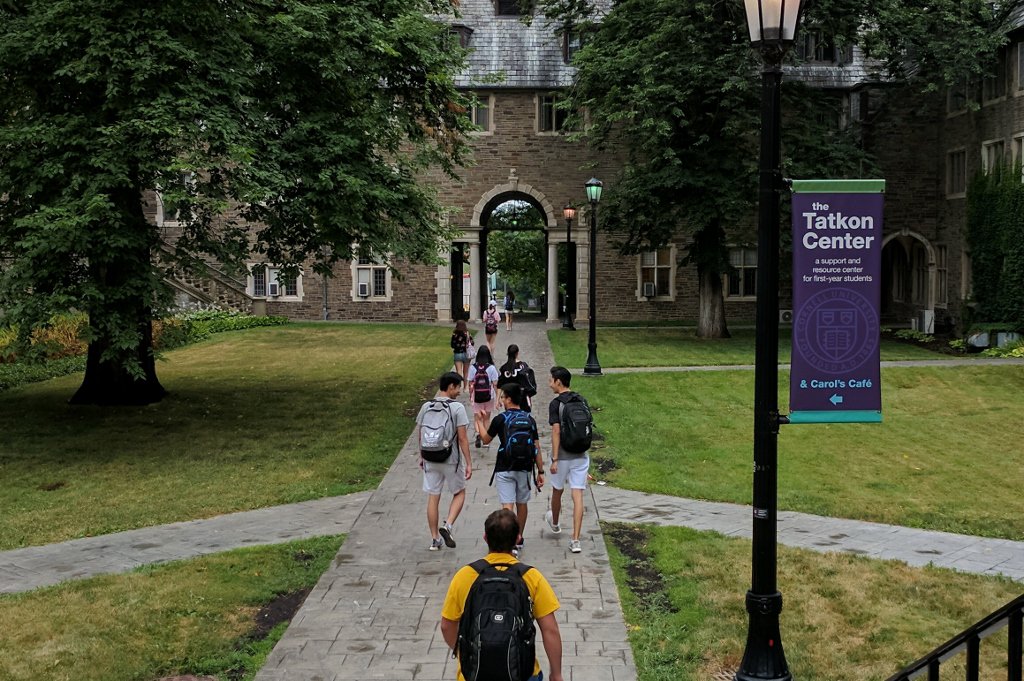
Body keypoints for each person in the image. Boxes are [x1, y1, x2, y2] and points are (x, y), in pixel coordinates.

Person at [440, 508, 564, 681]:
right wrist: (556, 674)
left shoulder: (465, 576)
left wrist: (468, 651)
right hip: (522, 672)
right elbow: (550, 630)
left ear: (485, 538)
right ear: (518, 539)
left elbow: (447, 625)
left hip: (474, 674)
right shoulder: (531, 576)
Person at [480, 383, 545, 556]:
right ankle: (519, 537)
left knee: (507, 505)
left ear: (509, 399)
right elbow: (537, 447)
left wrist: (479, 422)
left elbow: (485, 440)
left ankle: (508, 541)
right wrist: (541, 471)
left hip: (505, 467)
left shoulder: (500, 419)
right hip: (524, 468)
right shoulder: (529, 419)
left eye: (503, 397)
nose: (501, 400)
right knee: (522, 504)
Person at [415, 371, 472, 551]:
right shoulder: (457, 408)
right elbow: (462, 438)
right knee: (460, 492)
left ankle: (434, 539)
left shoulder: (426, 407)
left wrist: (422, 455)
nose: (459, 392)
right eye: (458, 388)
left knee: (433, 496)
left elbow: (420, 433)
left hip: (430, 457)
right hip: (450, 458)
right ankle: (448, 525)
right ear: (451, 387)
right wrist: (469, 462)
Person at [545, 366, 591, 554]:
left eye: (551, 380)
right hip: (581, 455)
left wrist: (555, 459)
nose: (550, 383)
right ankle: (576, 539)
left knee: (557, 490)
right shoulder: (582, 400)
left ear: (558, 382)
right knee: (577, 495)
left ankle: (555, 523)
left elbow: (556, 431)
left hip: (562, 455)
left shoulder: (556, 404)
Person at [467, 345, 499, 450]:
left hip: (477, 396)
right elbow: (495, 384)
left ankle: (478, 433)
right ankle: (486, 441)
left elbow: (470, 383)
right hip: (489, 397)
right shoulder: (491, 368)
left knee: (478, 418)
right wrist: (498, 398)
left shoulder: (473, 367)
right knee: (487, 418)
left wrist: (470, 395)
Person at [497, 343, 538, 413]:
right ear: (517, 353)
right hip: (522, 396)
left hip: (509, 397)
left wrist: (497, 399)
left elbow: (500, 385)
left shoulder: (504, 368)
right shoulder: (523, 366)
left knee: (510, 417)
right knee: (524, 416)